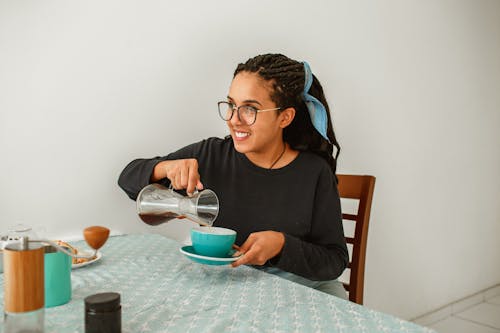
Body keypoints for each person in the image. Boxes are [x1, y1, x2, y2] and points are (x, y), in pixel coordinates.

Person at [118, 53, 349, 299]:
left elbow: (334, 260)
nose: (234, 120)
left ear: (285, 117)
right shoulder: (211, 154)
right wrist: (165, 168)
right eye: (231, 105)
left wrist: (282, 245)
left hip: (302, 289)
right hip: (231, 286)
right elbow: (127, 180)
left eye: (250, 109)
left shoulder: (314, 172)